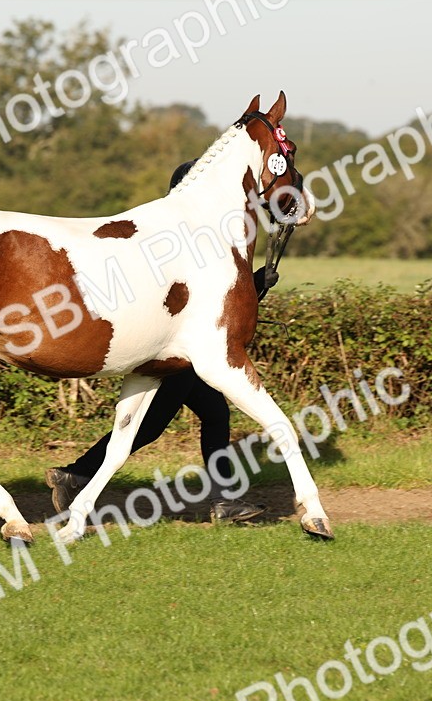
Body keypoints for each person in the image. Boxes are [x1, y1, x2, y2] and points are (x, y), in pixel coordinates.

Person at [45, 159, 280, 523]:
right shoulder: (194, 241)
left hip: (173, 347)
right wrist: (255, 284)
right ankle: (78, 476)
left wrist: (256, 282)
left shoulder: (181, 237)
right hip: (173, 352)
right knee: (162, 423)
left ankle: (77, 475)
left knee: (206, 414)